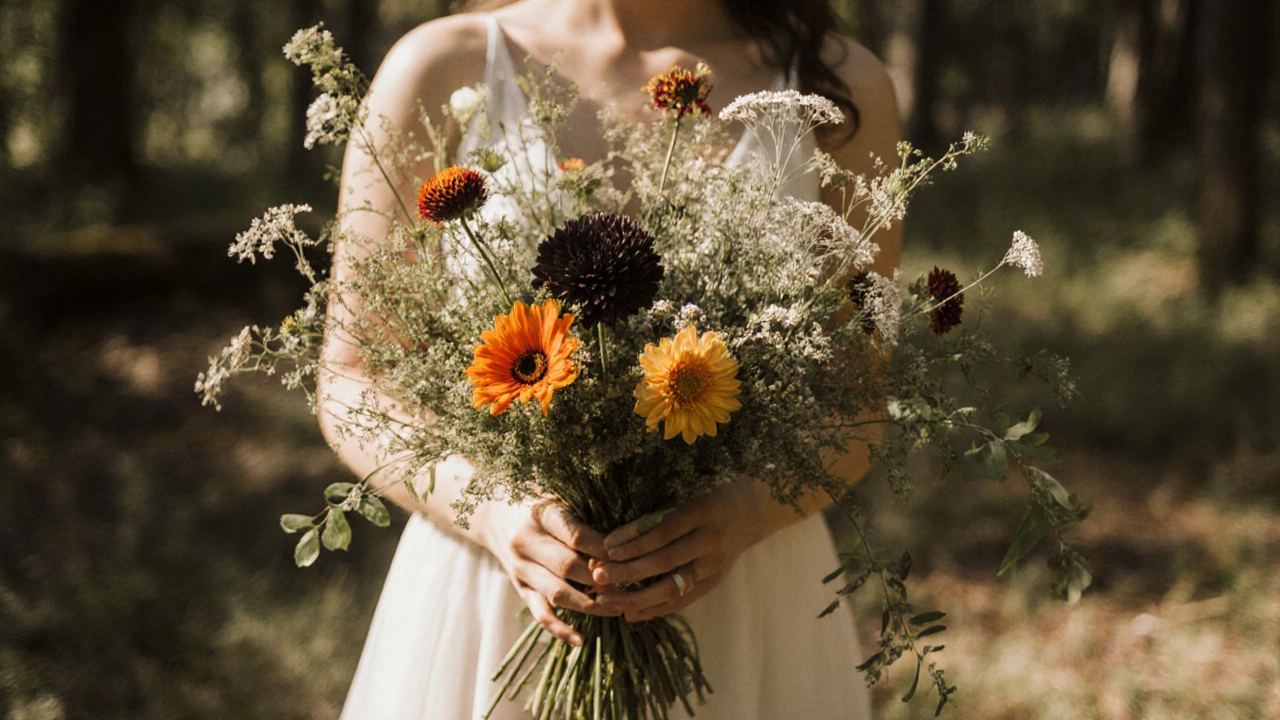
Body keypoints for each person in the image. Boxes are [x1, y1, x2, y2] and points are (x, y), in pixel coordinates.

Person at [319, 0, 902, 717]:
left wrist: (745, 511)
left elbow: (857, 395)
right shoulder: (439, 66)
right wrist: (493, 511)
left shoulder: (839, 85)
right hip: (501, 597)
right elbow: (352, 376)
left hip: (748, 599)